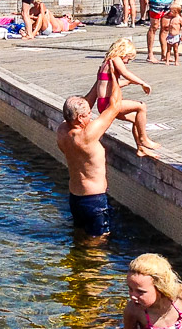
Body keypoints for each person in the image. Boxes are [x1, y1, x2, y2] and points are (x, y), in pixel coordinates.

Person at [56, 94, 144, 240]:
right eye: (89, 114)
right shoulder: (87, 135)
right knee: (98, 242)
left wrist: (101, 79)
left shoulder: (62, 130)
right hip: (94, 201)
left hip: (75, 199)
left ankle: (75, 261)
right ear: (80, 118)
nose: (92, 116)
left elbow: (81, 106)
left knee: (80, 236)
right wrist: (115, 78)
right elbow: (114, 106)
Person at [84, 38, 160, 156]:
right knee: (141, 106)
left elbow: (111, 85)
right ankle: (144, 139)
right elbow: (125, 73)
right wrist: (142, 83)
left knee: (137, 119)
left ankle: (140, 148)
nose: (127, 62)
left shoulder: (106, 63)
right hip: (109, 103)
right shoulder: (115, 59)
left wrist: (129, 83)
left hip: (104, 103)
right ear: (122, 52)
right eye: (128, 58)